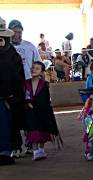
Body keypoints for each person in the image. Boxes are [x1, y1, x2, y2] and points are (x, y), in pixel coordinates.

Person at [9, 19, 42, 158]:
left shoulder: (30, 46)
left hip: (29, 84)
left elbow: (39, 64)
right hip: (13, 86)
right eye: (15, 32)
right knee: (14, 116)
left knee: (30, 114)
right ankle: (16, 146)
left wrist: (40, 82)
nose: (18, 35)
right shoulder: (5, 48)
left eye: (20, 32)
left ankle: (30, 143)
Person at [24, 62, 62, 161]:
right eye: (32, 68)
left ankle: (41, 149)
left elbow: (47, 97)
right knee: (33, 130)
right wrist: (27, 103)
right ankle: (35, 150)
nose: (33, 70)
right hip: (31, 111)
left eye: (37, 69)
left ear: (41, 72)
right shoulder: (26, 83)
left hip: (43, 111)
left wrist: (55, 79)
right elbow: (25, 95)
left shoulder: (45, 84)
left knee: (43, 130)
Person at [0, 16, 25, 165]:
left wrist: (13, 96)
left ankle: (5, 151)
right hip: (7, 97)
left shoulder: (12, 54)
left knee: (6, 125)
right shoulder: (12, 54)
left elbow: (17, 78)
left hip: (7, 99)